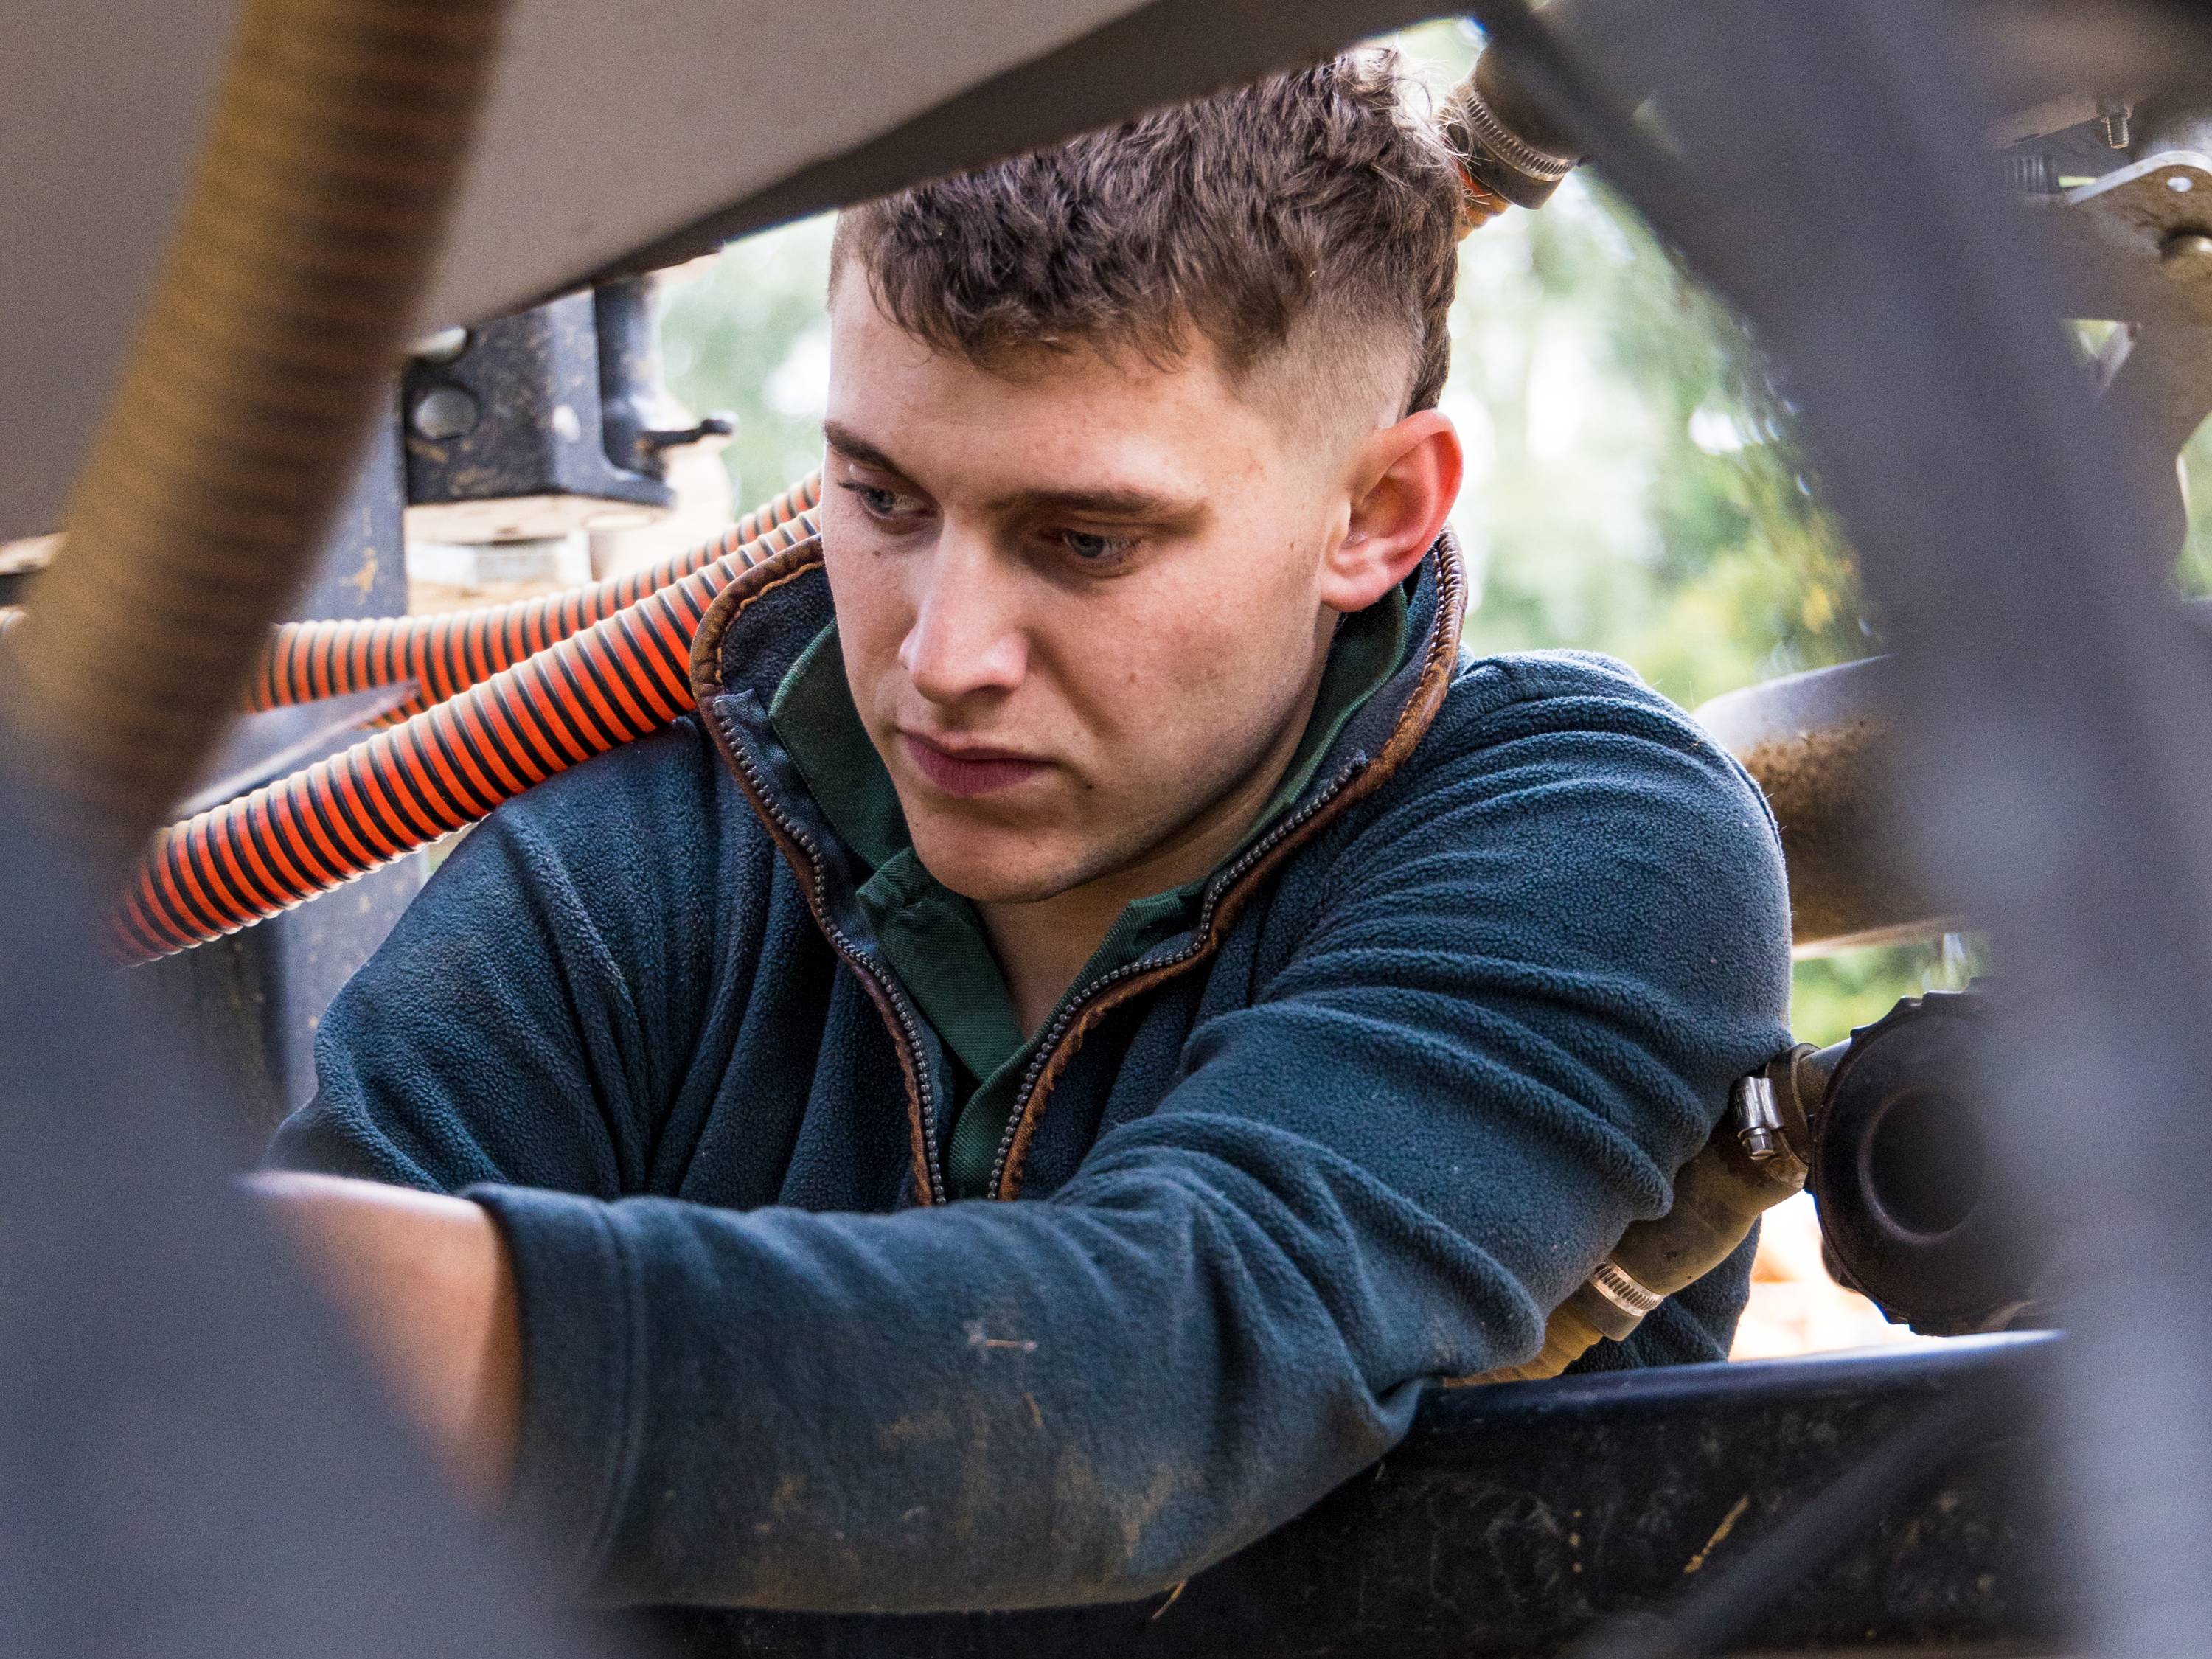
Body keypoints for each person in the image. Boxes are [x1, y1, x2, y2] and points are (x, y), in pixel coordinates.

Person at [255, 52, 1791, 1611]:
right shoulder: (625, 875)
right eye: (885, 496)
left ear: (1378, 510)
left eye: (1083, 539)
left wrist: (371, 1327)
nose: (940, 656)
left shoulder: (1594, 842)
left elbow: (1162, 1369)